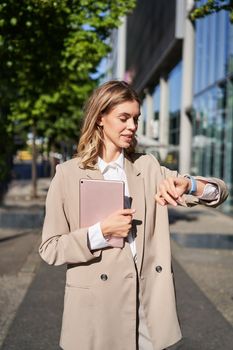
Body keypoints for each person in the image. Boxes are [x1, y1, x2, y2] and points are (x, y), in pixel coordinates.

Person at [39, 80, 228, 350]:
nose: (132, 127)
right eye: (124, 118)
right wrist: (100, 233)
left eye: (136, 119)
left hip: (145, 308)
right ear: (100, 118)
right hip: (95, 311)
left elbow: (218, 193)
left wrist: (190, 184)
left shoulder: (147, 167)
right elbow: (50, 249)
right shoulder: (68, 175)